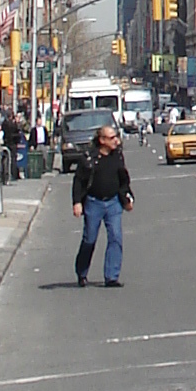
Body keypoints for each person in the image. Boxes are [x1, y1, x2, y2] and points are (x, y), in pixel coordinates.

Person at [70, 122, 134, 287]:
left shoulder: (117, 156)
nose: (116, 141)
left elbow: (123, 180)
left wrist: (127, 199)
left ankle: (111, 276)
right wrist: (77, 202)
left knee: (116, 237)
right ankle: (82, 272)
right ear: (102, 140)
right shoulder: (90, 158)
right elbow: (79, 181)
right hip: (94, 202)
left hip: (113, 202)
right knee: (89, 239)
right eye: (112, 138)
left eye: (116, 137)